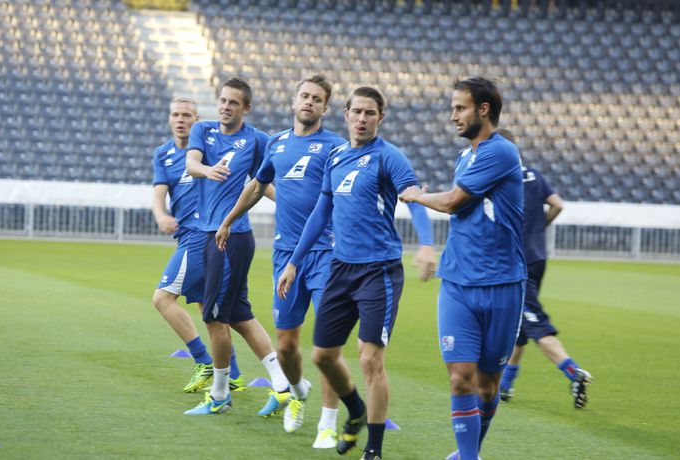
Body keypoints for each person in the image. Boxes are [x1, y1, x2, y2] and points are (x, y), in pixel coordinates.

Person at [277, 86, 437, 460]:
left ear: (380, 118)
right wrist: (294, 262)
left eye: (370, 113)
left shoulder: (389, 157)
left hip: (379, 271)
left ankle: (374, 449)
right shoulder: (335, 158)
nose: (362, 119)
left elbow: (413, 198)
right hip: (340, 267)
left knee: (369, 358)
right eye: (357, 112)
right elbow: (321, 213)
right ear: (346, 115)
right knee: (322, 356)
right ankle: (356, 410)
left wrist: (427, 244)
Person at [215, 73, 345, 447]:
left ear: (324, 107)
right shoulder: (277, 143)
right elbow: (257, 186)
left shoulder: (335, 147)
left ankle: (328, 423)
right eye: (304, 96)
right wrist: (228, 220)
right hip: (285, 254)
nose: (309, 102)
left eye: (316, 98)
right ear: (294, 101)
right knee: (286, 346)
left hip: (325, 254)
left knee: (326, 344)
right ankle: (297, 391)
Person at [399, 77, 525, 460]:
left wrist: (417, 195)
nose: (453, 115)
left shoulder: (500, 151)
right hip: (457, 282)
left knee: (487, 386)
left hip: (502, 284)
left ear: (483, 109)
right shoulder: (465, 156)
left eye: (460, 108)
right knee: (459, 379)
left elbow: (454, 202)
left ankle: (469, 452)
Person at [183, 77, 289, 415]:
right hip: (208, 234)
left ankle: (219, 396)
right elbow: (191, 164)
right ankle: (284, 385)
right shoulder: (203, 130)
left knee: (214, 319)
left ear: (246, 108)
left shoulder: (257, 140)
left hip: (230, 237)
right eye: (223, 100)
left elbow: (263, 182)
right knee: (240, 315)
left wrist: (290, 206)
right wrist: (207, 170)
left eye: (233, 102)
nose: (226, 107)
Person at [150, 97, 243, 394]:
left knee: (162, 299)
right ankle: (234, 374)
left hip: (199, 235)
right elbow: (159, 194)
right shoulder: (163, 154)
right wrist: (161, 216)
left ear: (197, 120)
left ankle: (203, 361)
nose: (180, 120)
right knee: (208, 308)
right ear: (169, 118)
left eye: (187, 115)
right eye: (175, 115)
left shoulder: (208, 149)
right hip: (188, 236)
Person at [495, 128, 592, 409]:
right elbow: (557, 205)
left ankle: (573, 372)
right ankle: (506, 386)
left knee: (533, 322)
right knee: (519, 324)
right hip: (538, 256)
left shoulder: (500, 177)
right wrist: (539, 228)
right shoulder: (534, 175)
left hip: (517, 261)